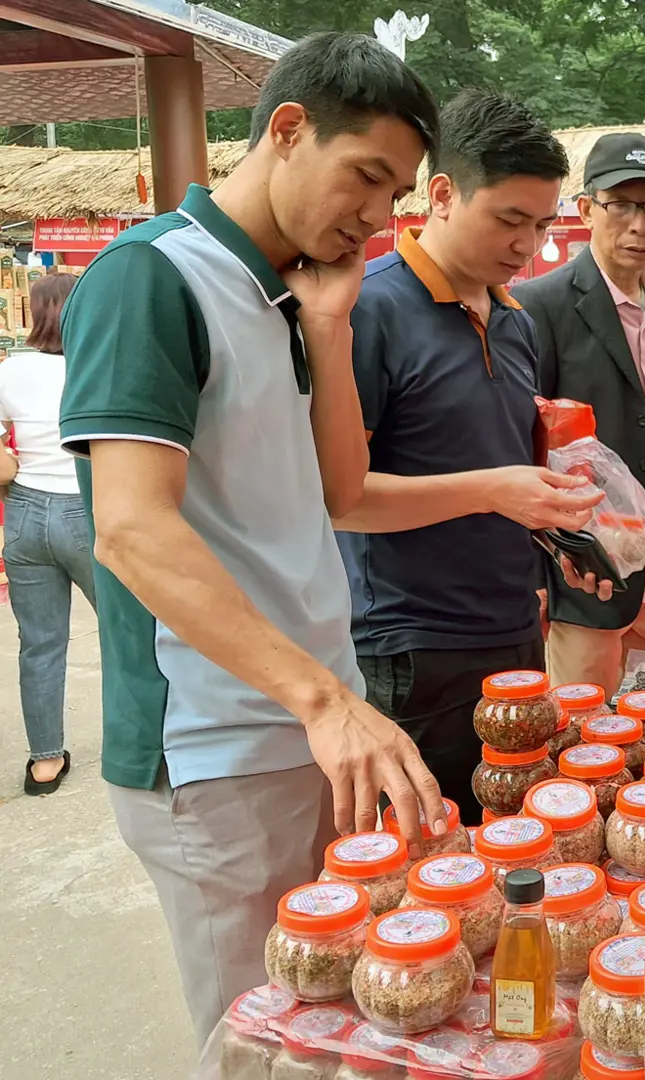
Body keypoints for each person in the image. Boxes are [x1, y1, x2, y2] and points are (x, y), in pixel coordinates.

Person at [58, 33, 448, 1043]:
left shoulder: (292, 294)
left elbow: (337, 491)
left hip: (313, 723)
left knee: (337, 1023)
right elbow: (133, 531)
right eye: (365, 175)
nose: (377, 214)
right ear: (286, 130)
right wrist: (321, 699)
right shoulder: (153, 277)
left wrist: (327, 330)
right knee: (260, 1043)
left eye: (396, 193)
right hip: (215, 746)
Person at [333, 89, 609, 824]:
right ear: (442, 194)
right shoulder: (367, 310)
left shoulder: (513, 318)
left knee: (511, 843)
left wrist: (560, 540)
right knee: (428, 855)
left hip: (513, 626)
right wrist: (493, 491)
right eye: (510, 220)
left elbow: (504, 469)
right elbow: (339, 496)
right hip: (413, 643)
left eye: (544, 225)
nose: (528, 246)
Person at [512, 133, 645, 692]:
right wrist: (541, 571)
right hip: (590, 573)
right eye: (621, 204)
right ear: (585, 210)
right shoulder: (541, 305)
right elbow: (524, 444)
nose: (639, 224)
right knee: (582, 731)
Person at [0, 274, 96, 795]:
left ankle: (44, 762)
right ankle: (157, 737)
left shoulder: (9, 370)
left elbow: (2, 466)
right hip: (88, 510)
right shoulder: (96, 364)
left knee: (39, 644)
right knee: (131, 633)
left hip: (25, 516)